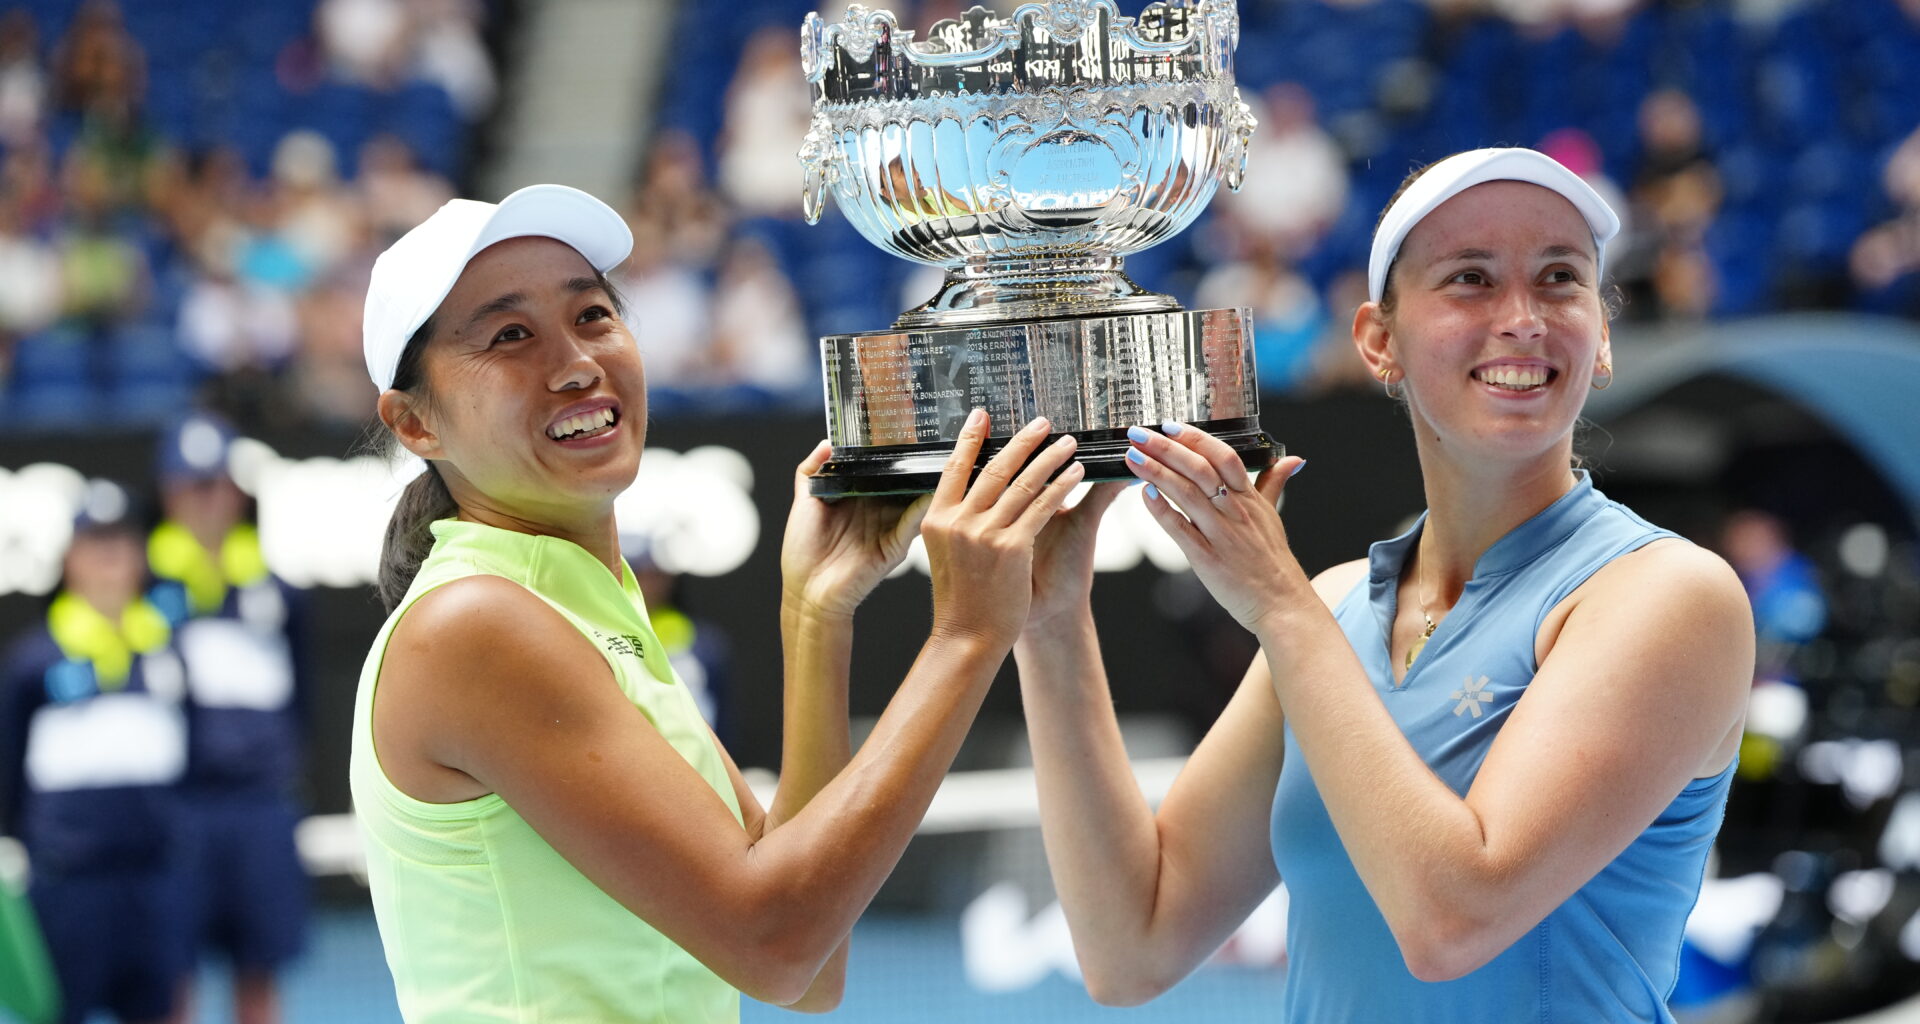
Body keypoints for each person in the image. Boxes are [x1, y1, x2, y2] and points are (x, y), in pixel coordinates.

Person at [1013, 148, 1755, 1020]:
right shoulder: (1333, 607)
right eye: (1470, 279)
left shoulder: (1670, 596)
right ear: (1378, 341)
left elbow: (1453, 920)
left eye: (1560, 278)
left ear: (1601, 337)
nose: (1522, 318)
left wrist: (1279, 609)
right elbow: (1131, 945)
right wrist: (1049, 614)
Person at [349, 183, 1082, 1022]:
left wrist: (816, 617)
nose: (577, 361)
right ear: (414, 424)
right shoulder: (479, 620)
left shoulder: (580, 602)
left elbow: (811, 970)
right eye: (509, 336)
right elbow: (776, 945)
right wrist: (966, 634)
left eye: (591, 315)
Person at [0, 479, 192, 1024]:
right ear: (68, 561)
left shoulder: (168, 652)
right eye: (95, 545)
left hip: (154, 881)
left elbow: (190, 757)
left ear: (139, 558)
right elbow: (9, 774)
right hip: (67, 887)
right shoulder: (31, 662)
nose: (110, 559)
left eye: (121, 545)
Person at [147, 411, 309, 1024]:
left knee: (259, 971)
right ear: (168, 493)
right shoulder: (137, 587)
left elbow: (302, 696)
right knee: (171, 977)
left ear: (236, 492)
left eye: (215, 485)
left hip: (260, 807)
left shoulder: (279, 593)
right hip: (177, 811)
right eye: (191, 486)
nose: (205, 501)